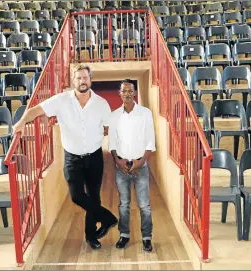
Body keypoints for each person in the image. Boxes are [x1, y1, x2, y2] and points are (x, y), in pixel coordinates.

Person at [13, 64, 118, 249]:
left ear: (90, 79)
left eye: (85, 78)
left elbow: (109, 128)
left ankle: (91, 236)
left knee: (94, 197)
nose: (82, 81)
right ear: (73, 80)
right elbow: (36, 110)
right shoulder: (61, 100)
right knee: (77, 196)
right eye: (78, 78)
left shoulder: (102, 104)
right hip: (72, 158)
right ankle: (108, 218)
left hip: (94, 156)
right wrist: (21, 123)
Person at [108, 79, 155, 252]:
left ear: (135, 93)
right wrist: (117, 161)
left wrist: (140, 162)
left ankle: (147, 237)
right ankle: (124, 235)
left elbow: (150, 141)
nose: (127, 94)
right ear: (119, 93)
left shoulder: (145, 113)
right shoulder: (114, 116)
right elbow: (112, 142)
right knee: (124, 204)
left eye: (130, 91)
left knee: (144, 205)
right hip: (121, 166)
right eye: (124, 91)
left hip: (140, 165)